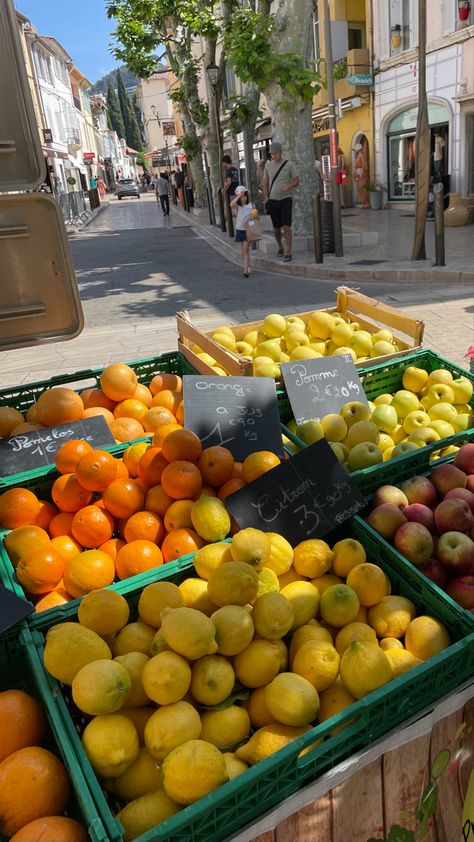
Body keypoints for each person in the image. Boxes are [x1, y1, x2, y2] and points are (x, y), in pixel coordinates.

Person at [262, 141, 299, 262]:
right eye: (271, 154)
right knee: (276, 228)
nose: (273, 156)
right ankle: (280, 246)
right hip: (273, 200)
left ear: (281, 153)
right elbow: (265, 182)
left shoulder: (289, 165)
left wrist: (289, 185)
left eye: (276, 154)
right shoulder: (268, 166)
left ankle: (288, 252)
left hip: (286, 199)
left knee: (287, 226)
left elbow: (296, 181)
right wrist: (266, 197)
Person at [230, 185, 254, 278]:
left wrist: (255, 216)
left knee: (245, 250)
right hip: (240, 229)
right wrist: (239, 196)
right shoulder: (238, 206)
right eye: (242, 196)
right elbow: (231, 204)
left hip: (248, 230)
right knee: (244, 250)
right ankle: (248, 266)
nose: (243, 198)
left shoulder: (251, 205)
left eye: (245, 195)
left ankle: (245, 270)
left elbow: (256, 217)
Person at [352, 143, 369, 208]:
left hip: (361, 174)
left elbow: (364, 165)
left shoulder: (361, 155)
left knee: (362, 188)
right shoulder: (359, 155)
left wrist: (363, 172)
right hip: (358, 173)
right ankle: (364, 202)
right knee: (359, 188)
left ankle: (366, 202)